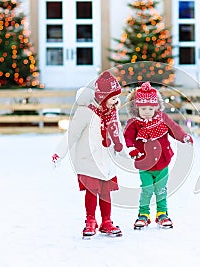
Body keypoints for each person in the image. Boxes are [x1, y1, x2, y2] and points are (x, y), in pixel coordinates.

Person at [51, 71, 124, 238]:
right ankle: (90, 221)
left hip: (105, 159)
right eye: (113, 98)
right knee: (91, 192)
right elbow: (72, 134)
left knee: (105, 193)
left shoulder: (112, 112)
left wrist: (127, 152)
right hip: (88, 160)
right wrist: (59, 153)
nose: (116, 101)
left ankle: (106, 221)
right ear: (104, 97)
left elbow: (117, 133)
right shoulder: (85, 112)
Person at [123, 82, 193, 229]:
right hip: (144, 163)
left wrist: (184, 137)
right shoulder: (134, 123)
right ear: (136, 108)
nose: (147, 111)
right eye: (143, 108)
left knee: (161, 189)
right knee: (147, 189)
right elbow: (128, 137)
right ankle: (143, 214)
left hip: (163, 162)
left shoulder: (162, 119)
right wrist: (132, 149)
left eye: (151, 108)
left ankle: (162, 214)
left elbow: (174, 129)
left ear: (156, 106)